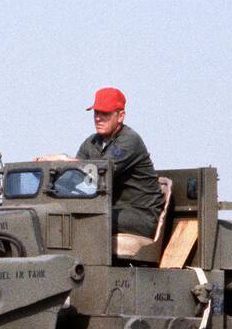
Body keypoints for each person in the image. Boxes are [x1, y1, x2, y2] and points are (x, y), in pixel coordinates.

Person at [38, 86, 169, 238]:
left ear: (120, 116)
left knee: (85, 219)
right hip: (111, 209)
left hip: (140, 215)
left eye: (105, 113)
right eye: (96, 113)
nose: (98, 118)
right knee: (53, 216)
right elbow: (74, 177)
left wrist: (62, 159)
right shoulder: (92, 142)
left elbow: (101, 171)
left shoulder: (129, 140)